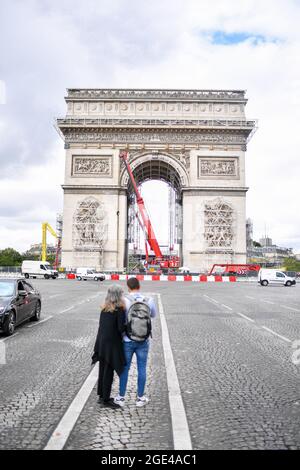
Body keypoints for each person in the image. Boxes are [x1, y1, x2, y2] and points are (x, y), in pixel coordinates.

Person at [114, 277, 157, 407]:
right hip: (143, 340)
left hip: (127, 339)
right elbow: (153, 315)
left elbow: (120, 318)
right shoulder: (149, 300)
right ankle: (140, 398)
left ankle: (121, 397)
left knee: (125, 368)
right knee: (142, 368)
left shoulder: (124, 300)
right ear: (139, 286)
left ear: (128, 287)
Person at [92, 285, 126, 409]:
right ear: (118, 296)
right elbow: (121, 329)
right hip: (112, 345)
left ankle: (101, 396)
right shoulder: (119, 309)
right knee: (108, 372)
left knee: (103, 370)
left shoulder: (104, 308)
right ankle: (106, 399)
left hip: (101, 343)